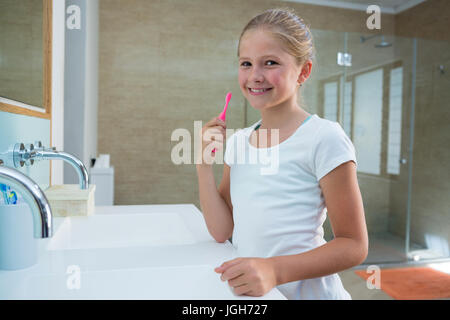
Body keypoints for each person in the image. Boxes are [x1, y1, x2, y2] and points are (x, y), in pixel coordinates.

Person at [196, 8, 368, 300]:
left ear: (303, 71)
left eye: (270, 63)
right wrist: (202, 165)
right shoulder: (238, 142)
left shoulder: (324, 138)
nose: (255, 76)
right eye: (246, 63)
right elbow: (222, 231)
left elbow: (353, 244)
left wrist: (274, 270)